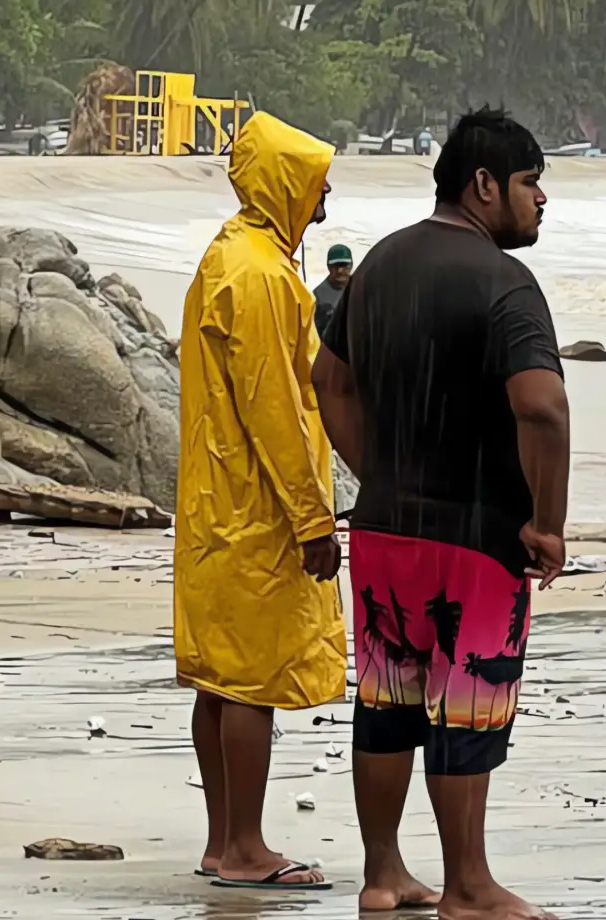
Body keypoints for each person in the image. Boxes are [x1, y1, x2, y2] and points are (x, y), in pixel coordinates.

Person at [312, 108, 570, 920]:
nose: (540, 200)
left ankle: (383, 875)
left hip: (385, 530)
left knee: (386, 698)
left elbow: (329, 381)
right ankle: (468, 886)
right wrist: (547, 523)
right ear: (483, 184)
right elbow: (543, 407)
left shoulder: (379, 264)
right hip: (475, 537)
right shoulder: (504, 282)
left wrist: (380, 472)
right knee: (468, 700)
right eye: (530, 183)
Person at [175, 111, 346, 892]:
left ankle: (223, 842)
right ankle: (246, 847)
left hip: (215, 502)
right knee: (250, 680)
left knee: (220, 677)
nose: (323, 201)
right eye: (315, 185)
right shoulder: (263, 278)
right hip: (256, 506)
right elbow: (277, 407)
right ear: (283, 183)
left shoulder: (226, 254)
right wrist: (313, 519)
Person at [312, 244, 353, 339]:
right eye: (335, 266)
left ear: (351, 265)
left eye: (344, 265)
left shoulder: (360, 289)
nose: (340, 270)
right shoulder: (317, 297)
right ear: (328, 267)